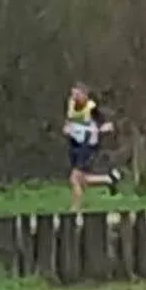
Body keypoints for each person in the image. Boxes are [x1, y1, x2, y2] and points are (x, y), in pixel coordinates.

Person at [63, 82, 122, 213]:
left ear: (85, 95)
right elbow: (70, 120)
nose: (74, 97)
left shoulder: (91, 107)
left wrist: (105, 128)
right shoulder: (71, 104)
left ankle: (75, 208)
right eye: (73, 94)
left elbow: (103, 122)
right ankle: (108, 179)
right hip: (75, 144)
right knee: (81, 178)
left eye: (77, 94)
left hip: (87, 144)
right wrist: (67, 128)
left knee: (74, 178)